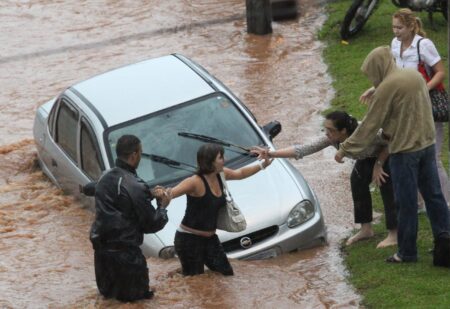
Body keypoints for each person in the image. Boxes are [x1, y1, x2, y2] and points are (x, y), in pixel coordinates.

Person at [336, 46, 450, 263]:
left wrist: (345, 149)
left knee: (405, 202)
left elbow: (369, 125)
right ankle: (444, 241)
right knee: (434, 196)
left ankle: (406, 252)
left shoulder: (387, 87)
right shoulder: (414, 76)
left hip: (404, 151)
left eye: (371, 72)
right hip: (426, 144)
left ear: (378, 67)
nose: (372, 77)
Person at [252, 111, 398, 248]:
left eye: (331, 130)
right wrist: (271, 154)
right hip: (366, 158)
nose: (326, 133)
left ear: (343, 131)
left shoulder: (365, 132)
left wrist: (379, 165)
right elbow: (303, 149)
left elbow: (390, 141)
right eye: (325, 129)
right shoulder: (331, 139)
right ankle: (366, 230)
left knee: (386, 185)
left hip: (387, 155)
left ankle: (394, 234)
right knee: (357, 183)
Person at [360, 8, 450, 207]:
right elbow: (392, 75)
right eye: (393, 27)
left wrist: (422, 89)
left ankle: (445, 201)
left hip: (427, 106)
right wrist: (374, 88)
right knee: (411, 154)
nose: (396, 31)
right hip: (405, 108)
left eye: (399, 27)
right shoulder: (394, 44)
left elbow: (440, 72)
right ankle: (420, 202)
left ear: (411, 26)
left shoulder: (423, 45)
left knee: (432, 157)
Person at [163, 143, 272, 276]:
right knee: (196, 283)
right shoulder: (194, 182)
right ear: (210, 162)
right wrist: (164, 195)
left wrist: (262, 165)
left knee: (226, 275)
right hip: (188, 241)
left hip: (210, 239)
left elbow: (240, 173)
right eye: (221, 157)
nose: (224, 160)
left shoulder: (221, 174)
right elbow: (172, 193)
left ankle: (178, 273)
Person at [89, 135, 169, 302]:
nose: (141, 155)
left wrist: (148, 194)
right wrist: (162, 206)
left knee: (109, 300)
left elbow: (121, 197)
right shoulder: (135, 185)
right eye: (140, 152)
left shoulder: (105, 177)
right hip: (127, 259)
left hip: (102, 257)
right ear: (134, 155)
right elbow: (152, 224)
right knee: (137, 302)